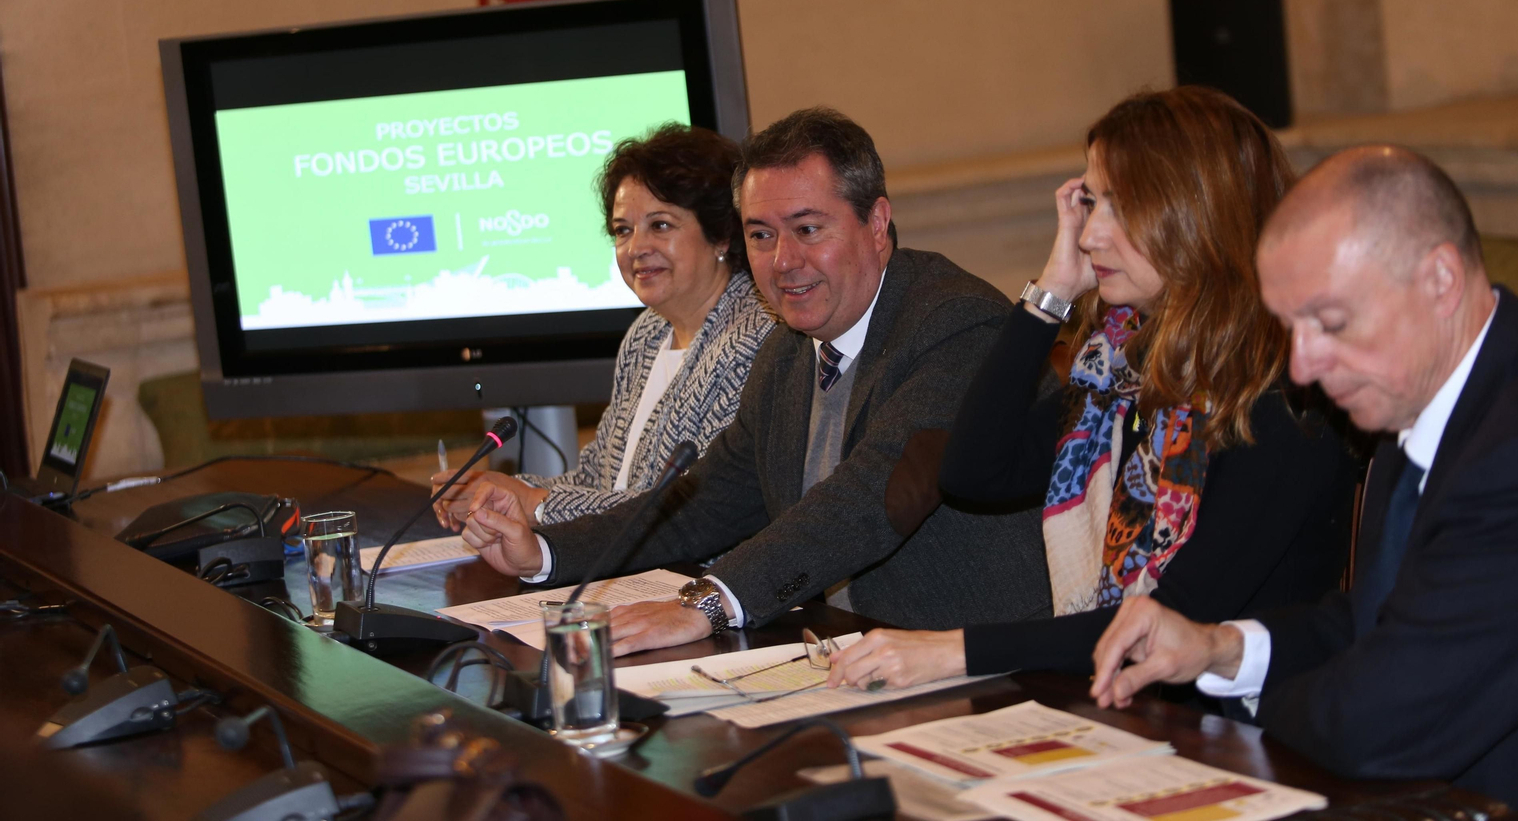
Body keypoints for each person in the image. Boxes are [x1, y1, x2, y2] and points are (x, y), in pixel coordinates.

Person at [1088, 146, 1518, 810]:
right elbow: (1387, 616)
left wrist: (1228, 723)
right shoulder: (1423, 390)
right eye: (1290, 327)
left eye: (1330, 323)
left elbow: (1385, 722)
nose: (1302, 368)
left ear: (1440, 281)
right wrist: (1220, 649)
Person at [460, 107, 1053, 654]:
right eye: (761, 234)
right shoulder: (790, 348)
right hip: (848, 650)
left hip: (984, 662)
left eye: (808, 229)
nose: (782, 262)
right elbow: (706, 501)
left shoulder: (954, 324)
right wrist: (544, 551)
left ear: (876, 222)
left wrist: (710, 602)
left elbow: (868, 498)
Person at [826, 87, 1357, 693]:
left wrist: (958, 650)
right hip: (1132, 707)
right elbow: (974, 472)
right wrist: (1051, 291)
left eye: (1119, 208)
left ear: (1197, 216)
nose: (1089, 236)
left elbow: (1166, 625)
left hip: (1248, 728)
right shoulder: (1120, 374)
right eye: (1090, 203)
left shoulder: (1281, 390)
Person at [432, 123, 775, 527]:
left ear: (720, 234)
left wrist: (535, 503)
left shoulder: (755, 339)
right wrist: (499, 491)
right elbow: (598, 479)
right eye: (622, 230)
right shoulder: (646, 334)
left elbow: (685, 509)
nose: (636, 249)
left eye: (660, 225)